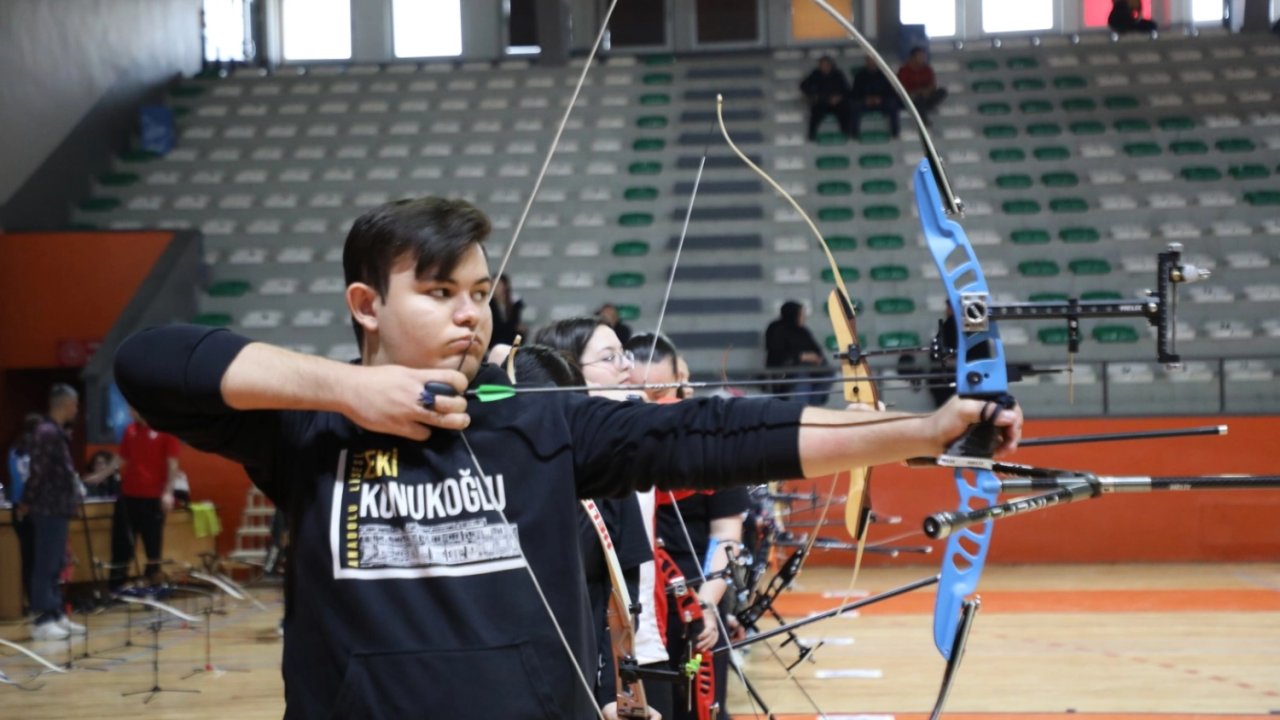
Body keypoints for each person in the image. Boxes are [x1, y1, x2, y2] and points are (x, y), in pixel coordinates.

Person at [113, 196, 1021, 719]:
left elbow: (715, 432)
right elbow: (149, 363)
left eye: (477, 292)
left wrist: (926, 431)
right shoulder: (307, 428)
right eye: (436, 293)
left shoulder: (541, 422)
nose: (470, 314)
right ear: (366, 303)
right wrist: (350, 392)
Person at [534, 318, 666, 719]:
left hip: (600, 667)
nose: (627, 367)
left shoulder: (616, 462)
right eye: (610, 358)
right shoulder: (529, 460)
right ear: (567, 373)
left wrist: (615, 693)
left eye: (624, 355)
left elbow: (619, 597)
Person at [627, 334, 742, 719]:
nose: (657, 407)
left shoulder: (707, 442)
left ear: (682, 377)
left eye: (663, 393)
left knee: (699, 707)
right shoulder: (616, 446)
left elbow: (727, 537)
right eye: (644, 395)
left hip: (697, 605)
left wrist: (708, 602)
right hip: (637, 610)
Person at [21, 384, 117, 640]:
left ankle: (56, 613)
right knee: (45, 563)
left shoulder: (57, 433)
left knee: (56, 563)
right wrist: (26, 501)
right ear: (64, 404)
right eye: (74, 405)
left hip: (60, 507)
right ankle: (42, 619)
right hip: (47, 507)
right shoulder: (45, 432)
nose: (76, 410)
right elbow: (38, 472)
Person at [109, 409, 182, 589]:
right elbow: (121, 458)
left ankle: (153, 584)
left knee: (153, 545)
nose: (129, 412)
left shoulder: (166, 430)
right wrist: (99, 475)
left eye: (132, 408)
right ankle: (117, 584)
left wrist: (168, 493)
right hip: (128, 497)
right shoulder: (130, 430)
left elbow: (172, 463)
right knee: (122, 542)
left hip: (153, 498)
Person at [6, 414, 42, 615]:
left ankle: (30, 600)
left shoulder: (14, 451)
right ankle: (40, 602)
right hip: (35, 508)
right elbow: (32, 479)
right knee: (39, 559)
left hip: (18, 508)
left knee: (28, 558)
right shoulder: (38, 451)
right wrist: (27, 503)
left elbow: (15, 479)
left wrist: (20, 504)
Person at [765, 301, 832, 406]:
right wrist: (802, 357)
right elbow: (777, 353)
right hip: (786, 371)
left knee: (828, 372)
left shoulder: (803, 331)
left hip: (810, 369)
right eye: (801, 314)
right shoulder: (776, 328)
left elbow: (815, 349)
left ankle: (813, 407)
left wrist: (817, 358)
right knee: (802, 375)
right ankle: (801, 410)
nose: (804, 317)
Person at [799, 55, 853, 141]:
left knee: (845, 109)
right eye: (821, 65)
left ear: (830, 65)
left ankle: (847, 135)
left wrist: (839, 97)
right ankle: (811, 136)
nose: (823, 67)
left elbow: (847, 90)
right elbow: (803, 86)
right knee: (816, 111)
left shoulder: (838, 74)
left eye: (825, 64)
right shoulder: (815, 74)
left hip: (837, 103)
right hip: (822, 102)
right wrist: (814, 95)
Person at [849, 56, 901, 140]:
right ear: (866, 62)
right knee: (854, 105)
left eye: (873, 61)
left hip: (881, 103)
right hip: (865, 103)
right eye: (869, 61)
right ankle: (854, 134)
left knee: (893, 104)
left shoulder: (885, 75)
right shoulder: (860, 76)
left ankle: (895, 133)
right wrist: (865, 99)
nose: (871, 63)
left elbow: (891, 92)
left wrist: (881, 99)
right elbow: (855, 93)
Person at [897, 47, 948, 127]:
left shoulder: (927, 69)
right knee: (918, 99)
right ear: (913, 57)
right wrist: (918, 92)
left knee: (942, 91)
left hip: (926, 94)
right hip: (912, 96)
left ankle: (928, 105)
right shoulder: (904, 70)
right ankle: (924, 121)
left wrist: (927, 91)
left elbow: (932, 84)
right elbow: (903, 87)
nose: (923, 59)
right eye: (920, 56)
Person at [488, 274, 526, 349]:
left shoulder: (515, 303)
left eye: (498, 284)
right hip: (495, 345)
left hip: (512, 344)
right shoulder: (489, 305)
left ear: (505, 285)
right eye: (492, 284)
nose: (495, 287)